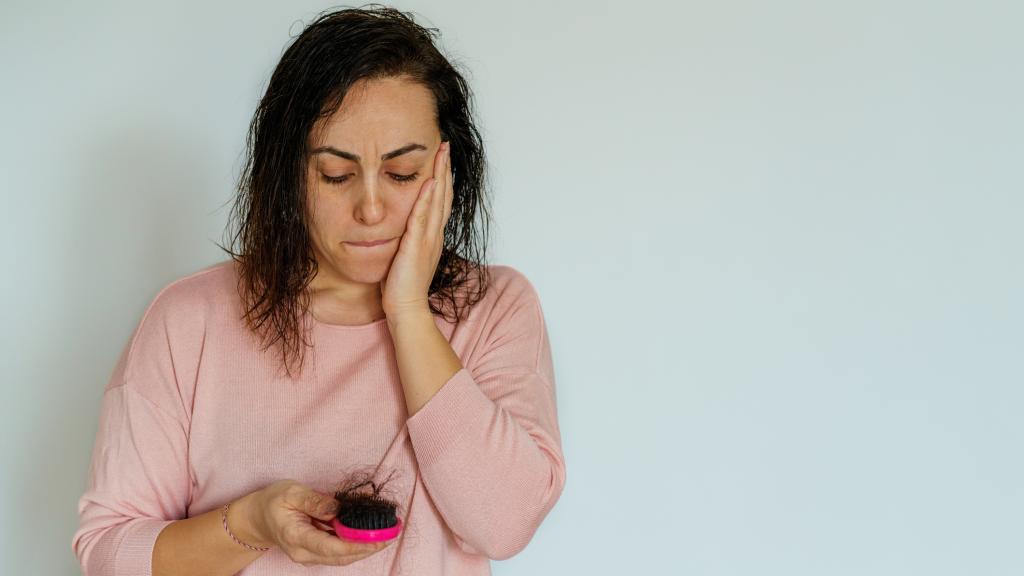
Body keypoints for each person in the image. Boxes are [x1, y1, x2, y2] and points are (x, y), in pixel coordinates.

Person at [70, 6, 566, 575]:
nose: (372, 208)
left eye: (403, 174)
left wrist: (406, 310)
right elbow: (108, 556)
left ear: (447, 169)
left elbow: (505, 523)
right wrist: (250, 525)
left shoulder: (495, 308)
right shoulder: (189, 321)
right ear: (287, 171)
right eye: (336, 174)